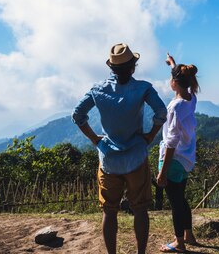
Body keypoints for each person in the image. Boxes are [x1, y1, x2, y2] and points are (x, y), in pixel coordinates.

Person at [72, 43, 167, 254]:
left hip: (109, 160)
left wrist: (95, 140)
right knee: (140, 209)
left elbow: (77, 115)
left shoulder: (98, 90)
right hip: (136, 157)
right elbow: (161, 112)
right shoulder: (143, 88)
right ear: (133, 67)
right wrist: (150, 135)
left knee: (109, 211)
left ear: (111, 68)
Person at [157, 53, 199, 253]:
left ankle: (179, 243)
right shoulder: (191, 98)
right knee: (181, 198)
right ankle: (189, 235)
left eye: (171, 78)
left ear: (174, 82)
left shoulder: (175, 107)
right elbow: (182, 80)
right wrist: (173, 64)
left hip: (172, 160)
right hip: (185, 159)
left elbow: (171, 142)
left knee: (176, 203)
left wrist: (162, 171)